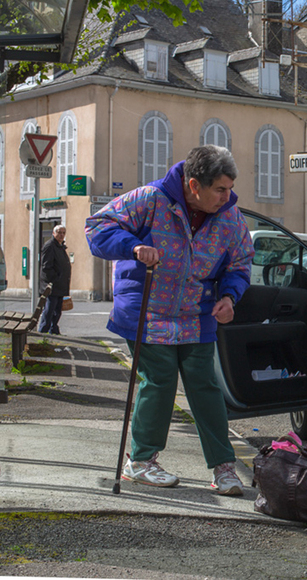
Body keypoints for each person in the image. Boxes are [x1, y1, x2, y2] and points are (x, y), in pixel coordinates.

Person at [85, 145, 254, 496]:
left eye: (229, 188)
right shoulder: (151, 199)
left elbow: (240, 262)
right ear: (195, 185)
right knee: (159, 382)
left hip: (196, 312)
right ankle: (142, 460)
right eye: (220, 189)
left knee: (205, 387)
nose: (227, 197)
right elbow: (97, 229)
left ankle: (224, 467)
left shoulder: (230, 216)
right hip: (147, 312)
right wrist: (132, 246)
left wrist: (228, 296)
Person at [37, 224, 71, 334]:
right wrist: (55, 279)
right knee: (49, 310)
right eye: (59, 232)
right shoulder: (50, 246)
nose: (61, 235)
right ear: (53, 233)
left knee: (57, 311)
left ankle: (53, 330)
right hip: (52, 286)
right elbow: (46, 267)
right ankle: (43, 332)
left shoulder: (60, 246)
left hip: (60, 285)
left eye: (63, 233)